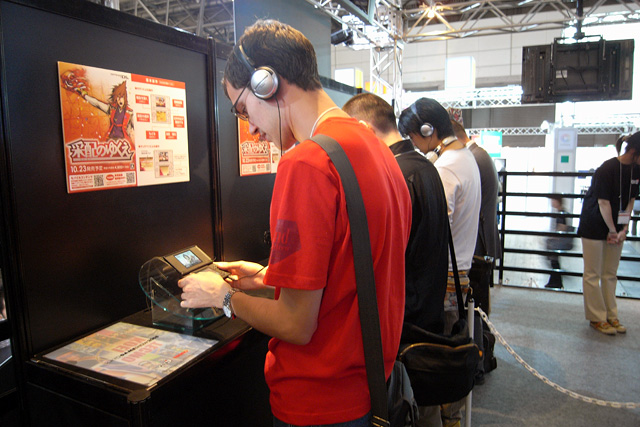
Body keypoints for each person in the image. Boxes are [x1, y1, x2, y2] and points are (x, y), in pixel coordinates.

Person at [179, 20, 412, 426]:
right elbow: (351, 271)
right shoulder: (375, 148)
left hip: (317, 399)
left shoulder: (307, 162)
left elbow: (295, 324)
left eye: (243, 109)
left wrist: (224, 296)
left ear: (266, 83)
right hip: (369, 387)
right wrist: (267, 277)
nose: (251, 128)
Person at [343, 93, 449, 426]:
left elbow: (381, 257)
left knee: (407, 409)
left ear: (363, 128)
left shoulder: (392, 173)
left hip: (405, 320)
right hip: (427, 307)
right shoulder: (424, 166)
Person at [399, 98, 481, 427]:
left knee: (437, 356)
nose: (414, 145)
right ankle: (451, 416)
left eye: (413, 137)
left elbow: (434, 223)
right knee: (449, 347)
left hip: (445, 273)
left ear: (427, 130)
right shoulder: (465, 157)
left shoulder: (445, 168)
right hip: (460, 267)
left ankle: (449, 418)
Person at [577, 131, 640, 335]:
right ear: (634, 151)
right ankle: (597, 317)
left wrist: (624, 229)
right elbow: (603, 203)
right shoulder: (606, 168)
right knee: (593, 273)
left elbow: (630, 201)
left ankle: (611, 315)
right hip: (594, 224)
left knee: (610, 273)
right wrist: (613, 230)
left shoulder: (636, 170)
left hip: (616, 226)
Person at [544, 195, 571, 289]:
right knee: (554, 262)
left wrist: (553, 237)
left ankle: (556, 282)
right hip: (558, 242)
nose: (552, 202)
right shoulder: (561, 212)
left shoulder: (561, 213)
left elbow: (562, 227)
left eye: (553, 200)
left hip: (557, 242)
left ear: (557, 201)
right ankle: (555, 282)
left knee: (554, 262)